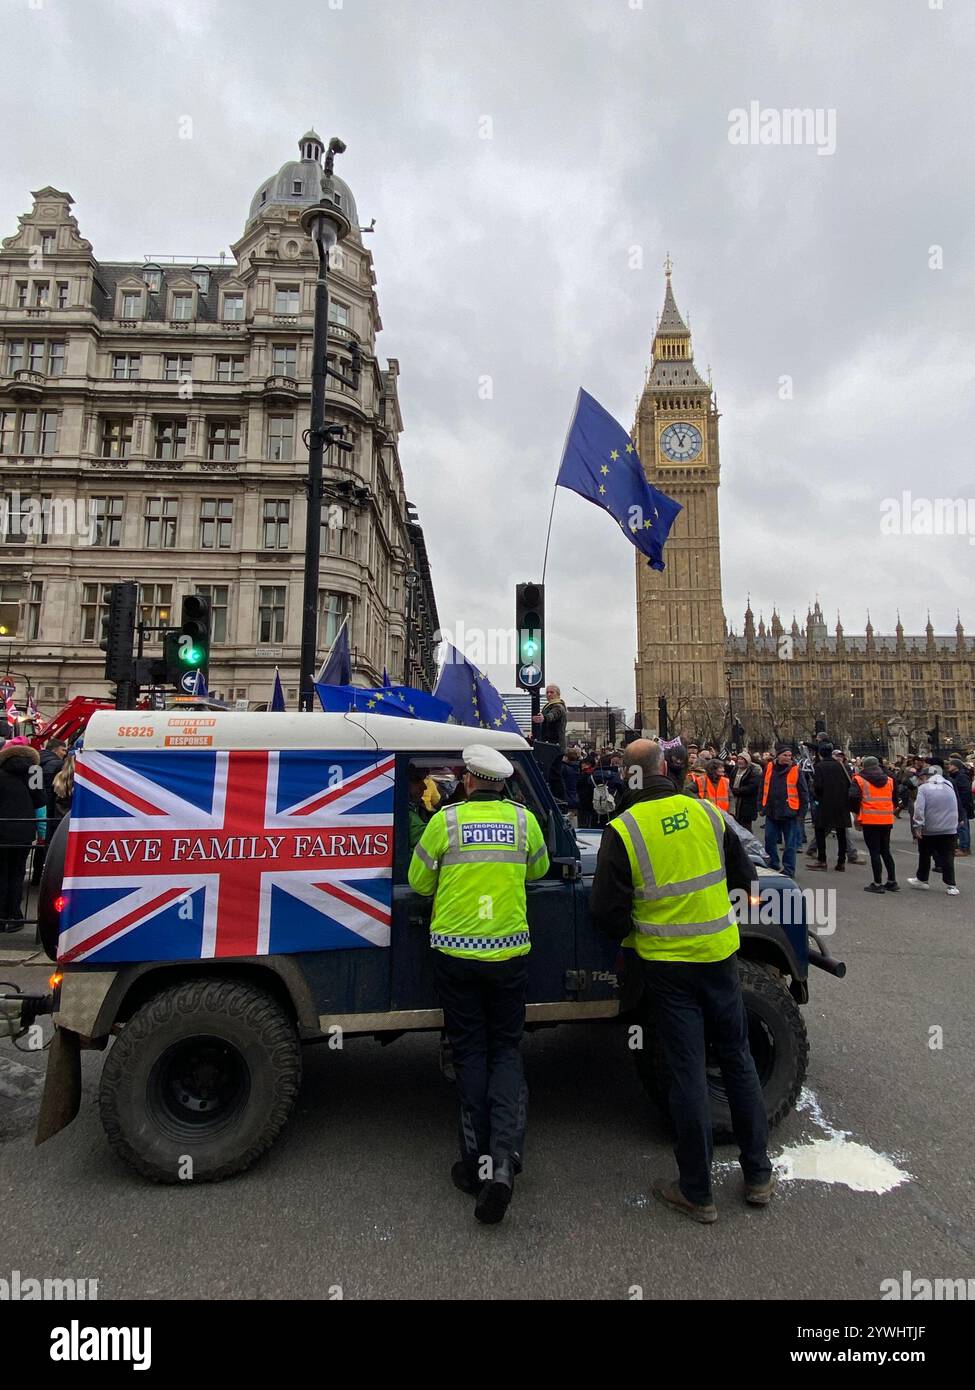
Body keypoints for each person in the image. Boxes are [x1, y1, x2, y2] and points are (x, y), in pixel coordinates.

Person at [590, 739, 772, 1222]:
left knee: (687, 1072)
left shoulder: (624, 829)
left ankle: (697, 1190)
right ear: (666, 768)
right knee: (738, 1059)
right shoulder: (708, 815)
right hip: (719, 956)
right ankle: (758, 1176)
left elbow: (605, 912)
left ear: (630, 776)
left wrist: (638, 926)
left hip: (667, 967)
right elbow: (747, 883)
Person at [408, 743, 550, 1224]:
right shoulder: (523, 821)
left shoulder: (443, 822)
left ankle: (477, 1167)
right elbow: (540, 870)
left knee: (469, 1052)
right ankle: (504, 1165)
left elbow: (419, 882)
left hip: (455, 955)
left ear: (467, 780)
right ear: (504, 783)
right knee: (506, 1051)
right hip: (508, 954)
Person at [0, 738, 45, 931]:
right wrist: (43, 833)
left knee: (1, 873)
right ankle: (15, 916)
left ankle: (1, 917)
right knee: (17, 873)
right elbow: (40, 805)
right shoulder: (35, 772)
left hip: (2, 830)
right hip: (24, 832)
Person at [908, 764, 960, 895]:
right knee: (948, 856)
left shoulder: (924, 789)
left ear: (926, 777)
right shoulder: (949, 785)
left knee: (925, 854)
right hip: (949, 828)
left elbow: (919, 810)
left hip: (930, 829)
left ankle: (922, 880)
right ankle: (951, 885)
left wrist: (918, 827)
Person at [849, 756, 898, 893]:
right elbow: (894, 798)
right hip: (886, 819)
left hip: (870, 819)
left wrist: (856, 814)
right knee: (885, 850)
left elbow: (853, 797)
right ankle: (892, 881)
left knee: (874, 852)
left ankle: (877, 883)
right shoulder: (889, 780)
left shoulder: (859, 779)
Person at [760, 744, 808, 878]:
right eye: (785, 755)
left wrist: (801, 814)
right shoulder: (769, 767)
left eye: (789, 755)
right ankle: (773, 864)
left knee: (790, 845)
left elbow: (803, 792)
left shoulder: (795, 770)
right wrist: (761, 805)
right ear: (778, 756)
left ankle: (788, 870)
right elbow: (762, 786)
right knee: (769, 840)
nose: (788, 758)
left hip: (790, 813)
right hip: (772, 811)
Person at [809, 742, 852, 872]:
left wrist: (817, 796)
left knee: (820, 831)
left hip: (825, 803)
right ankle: (841, 861)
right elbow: (848, 782)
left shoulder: (820, 766)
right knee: (841, 833)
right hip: (841, 803)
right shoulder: (841, 766)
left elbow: (818, 786)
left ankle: (822, 860)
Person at [946, 757, 973, 856]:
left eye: (951, 764)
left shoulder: (961, 776)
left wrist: (961, 804)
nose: (949, 765)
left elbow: (965, 792)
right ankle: (963, 846)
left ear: (956, 766)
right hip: (959, 804)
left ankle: (964, 848)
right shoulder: (955, 776)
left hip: (962, 805)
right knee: (960, 826)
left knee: (963, 827)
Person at [731, 752, 762, 831]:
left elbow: (752, 787)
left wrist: (736, 791)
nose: (740, 761)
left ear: (747, 761)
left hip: (747, 805)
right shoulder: (735, 770)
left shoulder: (753, 772)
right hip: (734, 803)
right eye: (739, 759)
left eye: (742, 759)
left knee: (746, 828)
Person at [561, 747, 581, 827]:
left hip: (566, 798)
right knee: (573, 819)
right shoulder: (578, 768)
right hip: (575, 798)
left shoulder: (564, 769)